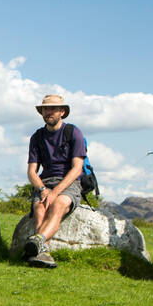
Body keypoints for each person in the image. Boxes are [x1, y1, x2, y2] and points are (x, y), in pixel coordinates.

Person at [23, 94, 87, 268]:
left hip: (69, 183)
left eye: (52, 109)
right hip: (45, 183)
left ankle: (38, 240)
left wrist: (55, 192)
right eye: (45, 109)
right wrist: (43, 189)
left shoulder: (73, 133)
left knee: (58, 204)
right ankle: (43, 253)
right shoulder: (37, 137)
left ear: (62, 111)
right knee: (39, 208)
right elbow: (31, 172)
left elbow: (77, 169)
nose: (48, 112)